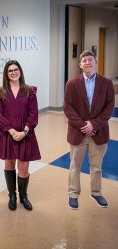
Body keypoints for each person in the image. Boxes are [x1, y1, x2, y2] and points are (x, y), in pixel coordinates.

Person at [64, 50, 115, 210]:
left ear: (95, 62)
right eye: (84, 60)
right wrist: (83, 126)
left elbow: (109, 107)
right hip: (77, 132)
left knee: (96, 167)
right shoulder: (71, 84)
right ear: (80, 65)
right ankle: (73, 194)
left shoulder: (106, 83)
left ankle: (96, 192)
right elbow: (68, 108)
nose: (87, 63)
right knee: (75, 166)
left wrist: (94, 124)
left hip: (98, 133)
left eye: (90, 60)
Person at [0, 60, 41, 211]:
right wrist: (12, 131)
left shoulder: (29, 91)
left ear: (20, 71)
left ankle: (23, 196)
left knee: (23, 167)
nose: (13, 72)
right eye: (10, 70)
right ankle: (12, 195)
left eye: (15, 69)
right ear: (6, 74)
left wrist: (24, 132)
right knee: (9, 164)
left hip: (26, 133)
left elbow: (33, 114)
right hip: (7, 133)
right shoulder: (0, 92)